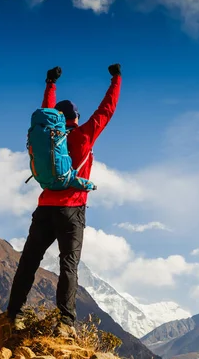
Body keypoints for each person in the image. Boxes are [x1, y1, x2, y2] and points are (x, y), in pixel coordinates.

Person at [7, 64, 122, 338]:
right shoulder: (84, 135)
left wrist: (50, 83)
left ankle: (14, 315)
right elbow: (107, 110)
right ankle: (65, 323)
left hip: (44, 208)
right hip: (72, 211)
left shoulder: (48, 138)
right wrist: (116, 79)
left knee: (29, 261)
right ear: (76, 117)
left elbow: (46, 110)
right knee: (68, 265)